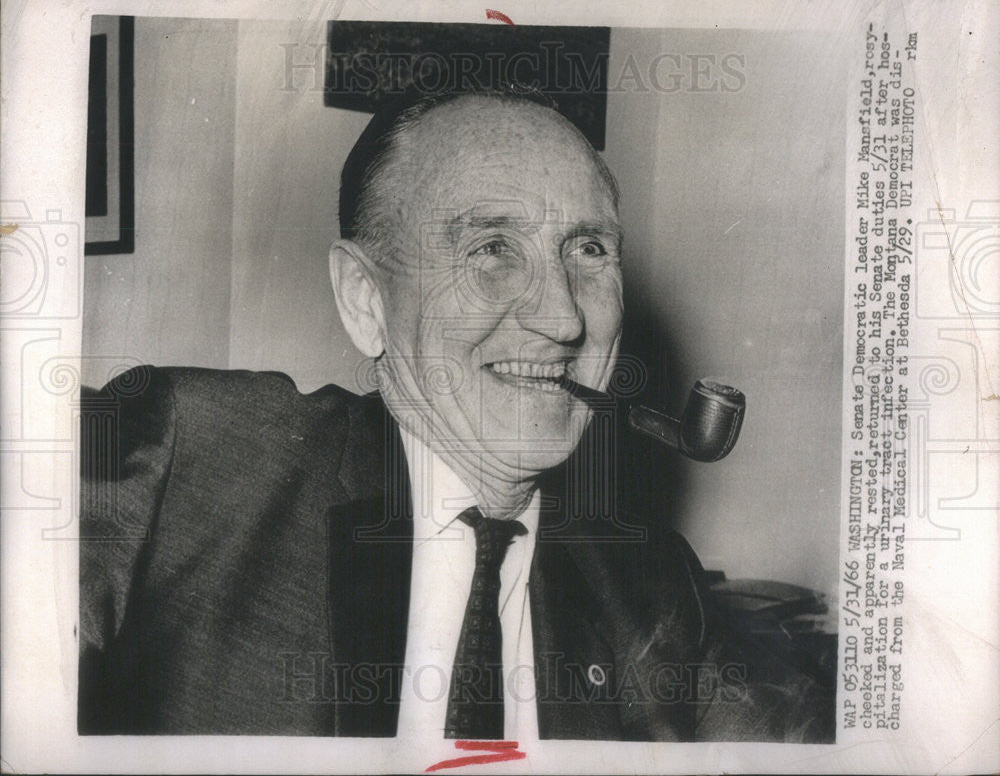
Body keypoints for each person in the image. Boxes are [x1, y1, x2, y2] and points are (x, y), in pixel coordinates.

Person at [79, 88, 833, 741]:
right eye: (493, 247)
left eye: (589, 249)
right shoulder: (189, 462)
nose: (564, 318)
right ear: (366, 300)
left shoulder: (650, 580)